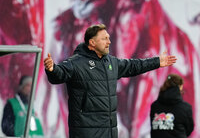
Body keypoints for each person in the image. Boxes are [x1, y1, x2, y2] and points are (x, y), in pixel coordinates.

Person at [44, 23, 177, 138]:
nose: (109, 42)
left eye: (108, 38)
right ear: (92, 42)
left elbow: (134, 66)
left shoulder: (112, 63)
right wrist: (52, 69)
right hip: (86, 132)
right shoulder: (76, 63)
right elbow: (59, 75)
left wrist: (157, 62)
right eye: (104, 39)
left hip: (109, 132)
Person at [150, 74, 194, 138]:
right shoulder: (186, 108)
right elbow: (189, 129)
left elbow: (153, 129)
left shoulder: (154, 106)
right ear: (180, 87)